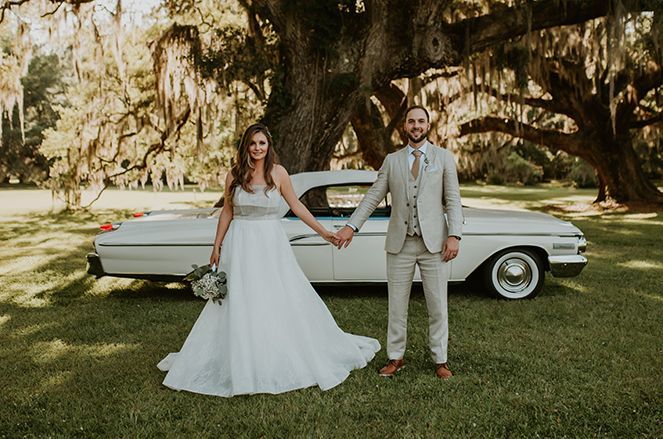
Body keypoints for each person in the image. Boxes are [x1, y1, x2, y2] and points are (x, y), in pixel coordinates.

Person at [158, 123, 380, 397]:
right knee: (241, 297)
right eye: (253, 143)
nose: (258, 148)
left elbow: (296, 206)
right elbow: (227, 212)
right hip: (240, 242)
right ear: (246, 146)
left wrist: (324, 232)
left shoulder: (279, 173)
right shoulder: (235, 175)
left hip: (270, 242)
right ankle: (241, 353)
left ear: (268, 145)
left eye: (262, 143)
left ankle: (277, 349)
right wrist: (216, 246)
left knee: (276, 294)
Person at [335, 105, 462, 379]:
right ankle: (396, 358)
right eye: (411, 122)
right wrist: (350, 226)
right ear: (405, 126)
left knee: (438, 305)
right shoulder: (392, 161)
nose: (416, 126)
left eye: (421, 121)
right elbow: (373, 196)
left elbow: (453, 200)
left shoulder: (443, 158)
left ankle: (441, 360)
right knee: (396, 305)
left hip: (435, 245)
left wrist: (454, 234)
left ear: (428, 125)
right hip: (400, 244)